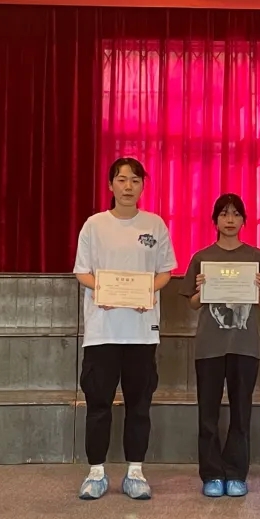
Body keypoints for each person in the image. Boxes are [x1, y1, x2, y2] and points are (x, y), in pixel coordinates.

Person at [73, 157, 176, 501]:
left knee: (139, 405)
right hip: (102, 332)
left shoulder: (154, 224)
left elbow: (165, 272)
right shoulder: (94, 225)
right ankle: (96, 473)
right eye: (121, 179)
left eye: (135, 180)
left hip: (141, 332)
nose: (128, 186)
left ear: (143, 185)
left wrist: (148, 292)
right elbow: (82, 272)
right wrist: (101, 291)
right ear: (110, 185)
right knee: (98, 404)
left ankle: (135, 472)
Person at [182, 194, 260, 498]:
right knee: (207, 414)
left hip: (245, 346)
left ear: (244, 220)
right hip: (209, 346)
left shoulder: (257, 257)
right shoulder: (202, 257)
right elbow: (193, 304)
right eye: (224, 214)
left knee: (241, 413)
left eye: (236, 214)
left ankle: (236, 473)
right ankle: (211, 474)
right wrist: (202, 290)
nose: (230, 220)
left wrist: (257, 288)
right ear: (215, 220)